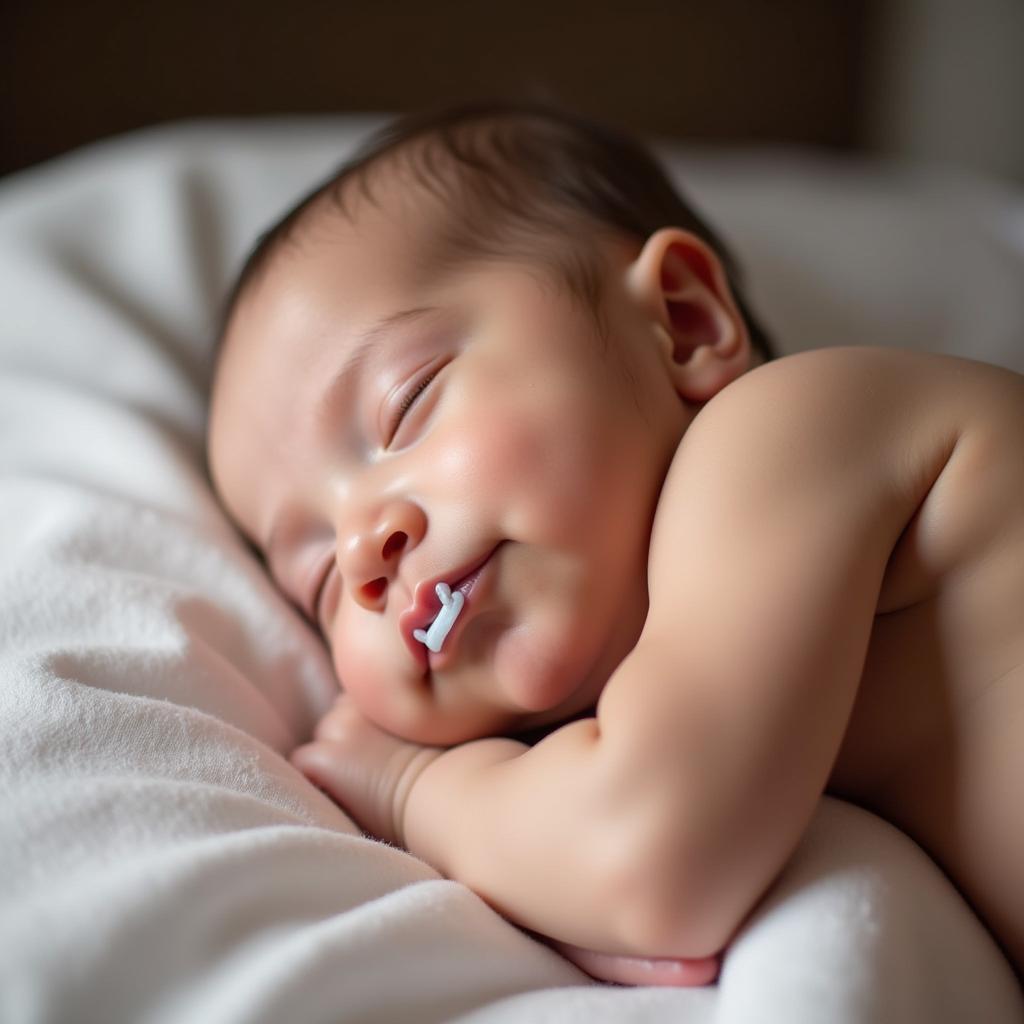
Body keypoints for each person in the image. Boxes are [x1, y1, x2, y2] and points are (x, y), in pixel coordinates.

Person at [206, 100, 1024, 988]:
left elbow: (652, 854)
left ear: (682, 320)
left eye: (407, 404)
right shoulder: (680, 716)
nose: (365, 547)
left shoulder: (788, 432)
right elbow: (642, 893)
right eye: (319, 578)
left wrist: (414, 794)